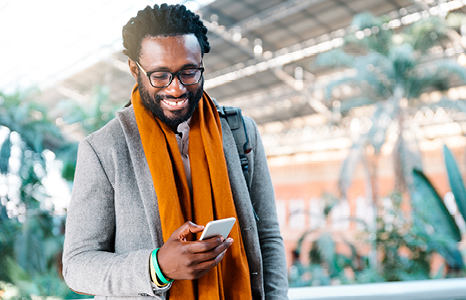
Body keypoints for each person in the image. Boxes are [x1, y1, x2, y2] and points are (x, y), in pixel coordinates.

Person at [62, 3, 288, 300]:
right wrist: (156, 266)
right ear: (134, 69)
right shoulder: (104, 149)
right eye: (160, 75)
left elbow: (267, 237)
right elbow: (77, 266)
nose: (177, 89)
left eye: (189, 72)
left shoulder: (239, 132)